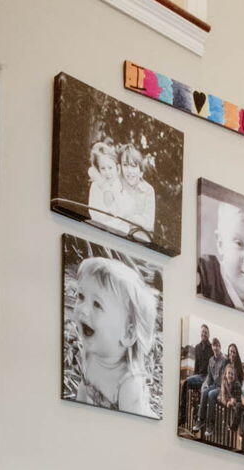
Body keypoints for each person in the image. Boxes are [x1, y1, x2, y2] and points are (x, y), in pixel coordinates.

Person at [69, 254, 156, 416]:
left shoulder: (129, 383)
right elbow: (83, 391)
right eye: (81, 296)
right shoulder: (90, 354)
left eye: (97, 304)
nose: (83, 309)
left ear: (128, 333)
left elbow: (134, 428)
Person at [113, 144, 157, 245]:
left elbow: (148, 224)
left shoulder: (147, 190)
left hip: (139, 241)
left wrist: (128, 217)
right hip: (116, 237)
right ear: (120, 167)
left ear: (140, 168)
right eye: (125, 165)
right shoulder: (116, 184)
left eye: (133, 166)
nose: (129, 171)